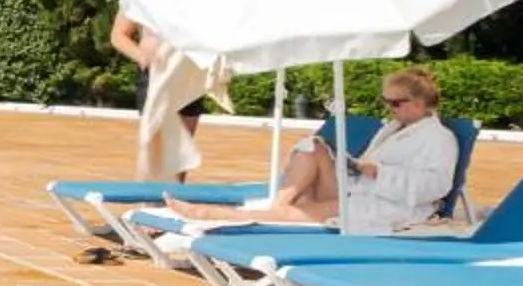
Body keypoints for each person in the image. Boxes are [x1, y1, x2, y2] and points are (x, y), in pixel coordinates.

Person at [174, 67, 455, 232]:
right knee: (313, 147)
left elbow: (436, 186)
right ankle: (280, 208)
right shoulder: (392, 129)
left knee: (299, 212)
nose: (389, 108)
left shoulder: (439, 139)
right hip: (359, 189)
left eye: (395, 103)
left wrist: (380, 172)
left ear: (418, 103)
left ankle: (215, 216)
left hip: (387, 207)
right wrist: (359, 167)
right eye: (386, 102)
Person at [112, 1, 212, 181]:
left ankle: (173, 202)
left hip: (187, 75)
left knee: (180, 152)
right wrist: (141, 55)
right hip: (154, 76)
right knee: (152, 148)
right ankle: (146, 202)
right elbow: (118, 35)